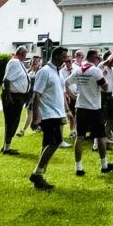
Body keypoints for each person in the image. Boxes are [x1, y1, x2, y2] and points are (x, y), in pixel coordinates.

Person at [63, 49, 112, 175]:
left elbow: (66, 82)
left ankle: (78, 167)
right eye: (98, 58)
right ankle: (104, 165)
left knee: (80, 137)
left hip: (81, 106)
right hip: (94, 107)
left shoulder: (78, 70)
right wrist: (104, 75)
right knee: (101, 136)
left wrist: (72, 95)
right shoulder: (96, 70)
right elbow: (105, 87)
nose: (99, 60)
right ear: (93, 58)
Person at [29, 46, 69, 191]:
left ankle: (39, 176)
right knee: (55, 142)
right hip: (48, 115)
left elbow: (59, 94)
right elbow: (36, 95)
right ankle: (37, 174)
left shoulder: (57, 72)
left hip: (57, 114)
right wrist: (35, 118)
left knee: (47, 144)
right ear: (57, 56)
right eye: (64, 57)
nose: (66, 60)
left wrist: (66, 112)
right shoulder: (45, 72)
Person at [1, 46, 30, 154]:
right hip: (14, 96)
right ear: (21, 54)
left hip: (18, 96)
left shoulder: (19, 63)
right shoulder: (15, 62)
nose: (25, 56)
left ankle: (6, 145)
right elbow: (7, 80)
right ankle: (7, 147)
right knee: (12, 121)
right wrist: (8, 96)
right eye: (24, 54)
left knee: (13, 120)